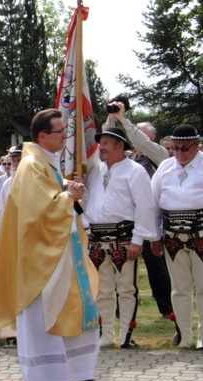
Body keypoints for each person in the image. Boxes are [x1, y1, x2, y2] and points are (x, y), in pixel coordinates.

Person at [0, 109, 110, 381]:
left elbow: (51, 200)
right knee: (44, 316)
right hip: (41, 259)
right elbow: (38, 211)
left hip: (63, 251)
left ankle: (78, 374)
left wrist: (68, 191)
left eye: (65, 130)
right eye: (60, 131)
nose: (65, 135)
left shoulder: (47, 162)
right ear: (42, 136)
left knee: (76, 308)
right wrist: (68, 197)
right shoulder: (32, 165)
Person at [83, 128, 157, 348]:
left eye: (106, 143)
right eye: (101, 143)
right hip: (97, 237)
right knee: (102, 290)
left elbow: (145, 206)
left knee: (126, 289)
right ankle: (106, 335)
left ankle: (126, 335)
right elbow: (88, 201)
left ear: (119, 145)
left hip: (123, 237)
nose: (101, 147)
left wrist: (137, 240)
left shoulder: (135, 171)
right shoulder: (96, 171)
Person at [104, 100, 173, 317]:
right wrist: (112, 117)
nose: (130, 139)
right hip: (125, 221)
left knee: (157, 267)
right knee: (119, 267)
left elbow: (137, 138)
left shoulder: (160, 156)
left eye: (135, 134)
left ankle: (167, 309)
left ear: (149, 138)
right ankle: (119, 310)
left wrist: (125, 120)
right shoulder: (128, 158)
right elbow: (107, 140)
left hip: (149, 218)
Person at [151, 124, 203, 349]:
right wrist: (154, 236)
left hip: (201, 232)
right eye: (175, 148)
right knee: (179, 288)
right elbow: (152, 205)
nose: (180, 153)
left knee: (202, 287)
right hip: (171, 235)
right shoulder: (164, 167)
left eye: (185, 149)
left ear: (197, 146)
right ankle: (184, 335)